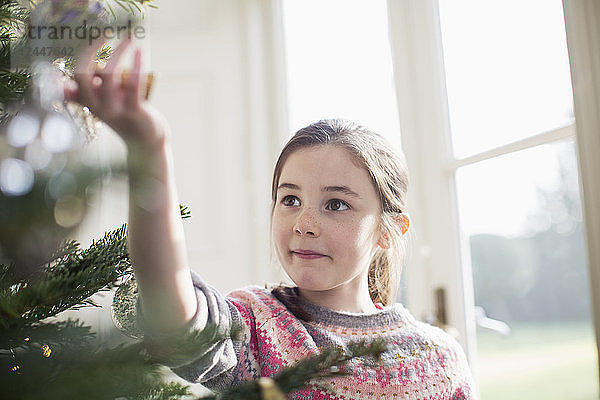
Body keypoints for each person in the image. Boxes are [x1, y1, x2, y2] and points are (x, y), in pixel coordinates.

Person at [65, 38, 475, 399]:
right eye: (290, 199)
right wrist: (149, 148)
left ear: (389, 230)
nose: (304, 223)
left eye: (335, 204)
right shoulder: (258, 326)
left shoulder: (439, 359)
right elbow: (173, 317)